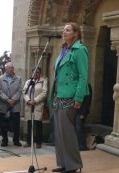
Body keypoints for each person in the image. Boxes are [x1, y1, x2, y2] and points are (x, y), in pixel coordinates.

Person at [50, 22, 89, 173]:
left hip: (71, 96)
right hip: (59, 95)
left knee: (68, 132)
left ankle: (73, 165)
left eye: (67, 30)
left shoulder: (80, 50)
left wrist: (79, 97)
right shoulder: (64, 50)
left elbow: (83, 76)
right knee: (59, 133)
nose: (63, 32)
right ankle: (64, 164)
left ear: (76, 33)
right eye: (63, 30)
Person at [0, 62, 23, 147]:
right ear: (6, 69)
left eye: (12, 68)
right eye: (9, 68)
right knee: (3, 124)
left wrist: (13, 100)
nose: (11, 69)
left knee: (16, 124)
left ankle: (16, 140)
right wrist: (7, 99)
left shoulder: (18, 78)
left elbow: (20, 90)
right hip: (3, 104)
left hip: (15, 105)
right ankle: (5, 140)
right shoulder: (0, 78)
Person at [23, 67, 48, 148]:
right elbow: (24, 92)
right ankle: (29, 141)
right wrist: (29, 100)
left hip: (38, 105)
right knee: (30, 124)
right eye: (33, 72)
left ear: (40, 73)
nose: (35, 74)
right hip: (29, 104)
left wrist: (35, 100)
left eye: (37, 72)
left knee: (38, 124)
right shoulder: (28, 81)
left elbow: (44, 93)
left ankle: (38, 142)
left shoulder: (43, 81)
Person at [76, 83, 92, 151]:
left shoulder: (87, 86)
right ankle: (78, 145)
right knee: (77, 128)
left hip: (81, 111)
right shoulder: (77, 85)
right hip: (76, 110)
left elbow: (87, 101)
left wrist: (83, 113)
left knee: (79, 128)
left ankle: (82, 146)